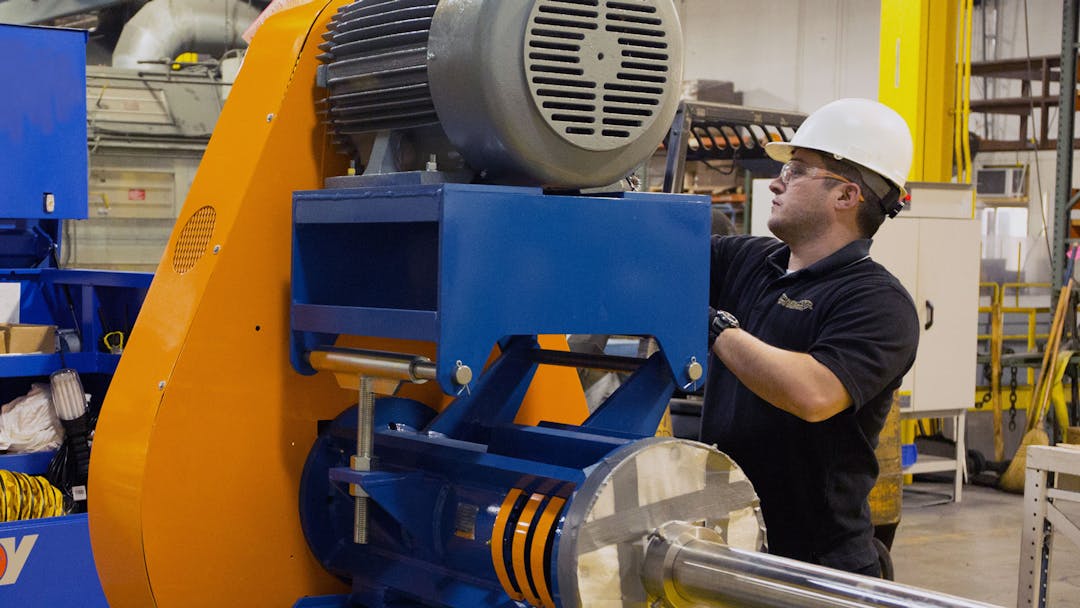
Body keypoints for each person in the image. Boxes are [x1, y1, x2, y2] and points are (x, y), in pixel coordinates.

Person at [701, 98, 920, 577]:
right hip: (729, 548)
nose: (777, 181)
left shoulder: (877, 301)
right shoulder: (752, 261)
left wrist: (713, 327)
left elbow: (814, 393)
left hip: (817, 568)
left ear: (845, 196)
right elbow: (654, 250)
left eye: (797, 171)